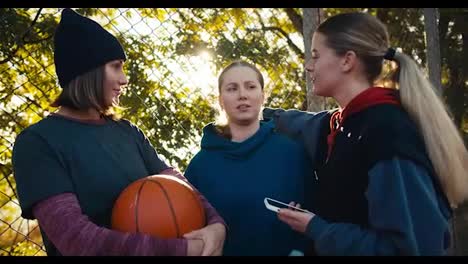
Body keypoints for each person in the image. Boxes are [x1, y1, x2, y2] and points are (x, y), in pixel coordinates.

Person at [11, 8, 226, 256]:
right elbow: (78, 240)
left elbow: (180, 185)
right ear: (87, 71)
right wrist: (185, 250)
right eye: (116, 67)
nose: (124, 79)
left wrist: (216, 225)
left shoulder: (128, 132)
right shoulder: (37, 143)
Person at [264, 12, 468, 255]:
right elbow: (304, 124)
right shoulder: (345, 124)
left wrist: (317, 228)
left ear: (347, 61)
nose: (309, 65)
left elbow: (407, 250)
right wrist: (257, 113)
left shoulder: (388, 135)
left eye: (316, 56)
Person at [184, 60, 313, 256]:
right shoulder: (200, 166)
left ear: (262, 95)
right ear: (220, 100)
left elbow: (315, 215)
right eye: (232, 88)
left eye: (250, 87)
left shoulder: (291, 153)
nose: (242, 95)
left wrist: (298, 251)